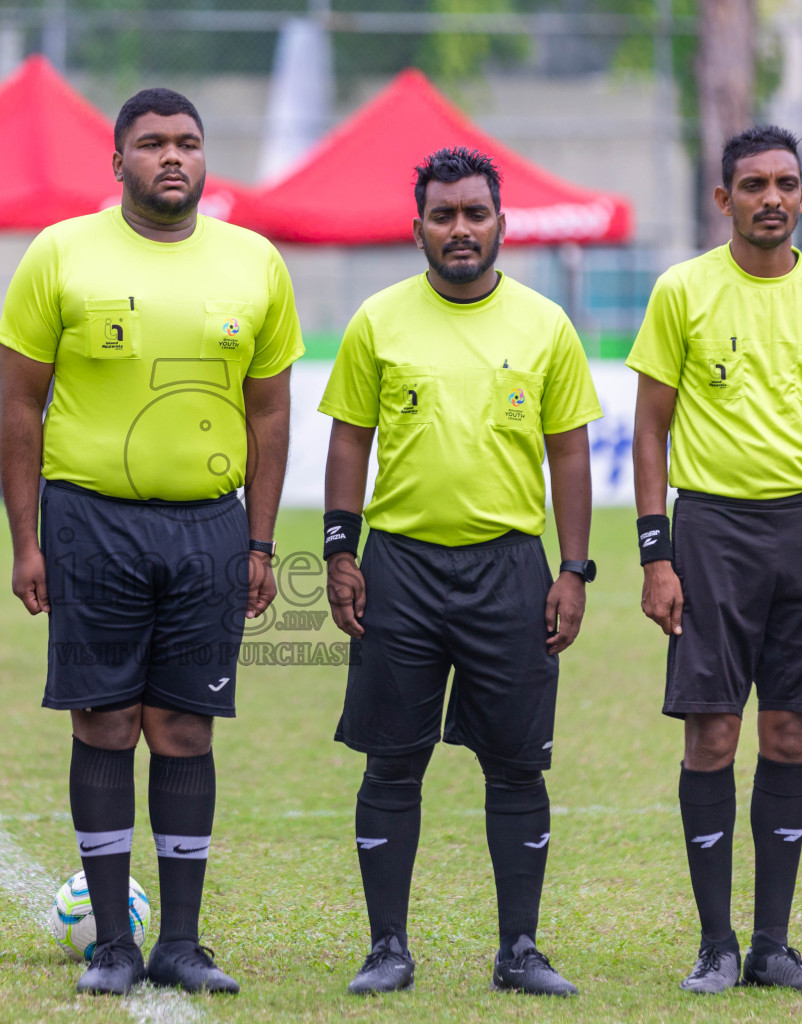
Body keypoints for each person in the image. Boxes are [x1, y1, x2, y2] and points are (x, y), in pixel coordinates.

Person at [0, 88, 302, 997]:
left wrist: (258, 541)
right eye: (152, 144)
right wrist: (26, 540)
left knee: (183, 725)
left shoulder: (255, 262)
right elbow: (19, 403)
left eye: (188, 143)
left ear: (206, 157)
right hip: (91, 518)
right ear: (117, 160)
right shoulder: (61, 252)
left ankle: (179, 942)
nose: (172, 157)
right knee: (105, 720)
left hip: (209, 523)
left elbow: (270, 409)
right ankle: (112, 948)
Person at [321, 147, 601, 999]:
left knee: (517, 765)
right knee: (391, 762)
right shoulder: (378, 320)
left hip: (511, 568)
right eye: (443, 216)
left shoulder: (545, 325)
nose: (460, 229)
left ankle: (520, 950)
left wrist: (574, 568)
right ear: (418, 230)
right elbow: (347, 441)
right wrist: (340, 550)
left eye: (474, 213)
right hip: (399, 567)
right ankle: (387, 949)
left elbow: (571, 453)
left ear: (501, 225)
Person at [627, 125, 802, 995]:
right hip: (711, 535)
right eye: (752, 184)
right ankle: (716, 946)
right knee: (713, 732)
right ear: (723, 198)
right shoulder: (683, 291)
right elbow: (651, 430)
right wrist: (656, 554)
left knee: (787, 731)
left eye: (785, 183)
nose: (770, 197)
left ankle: (773, 947)